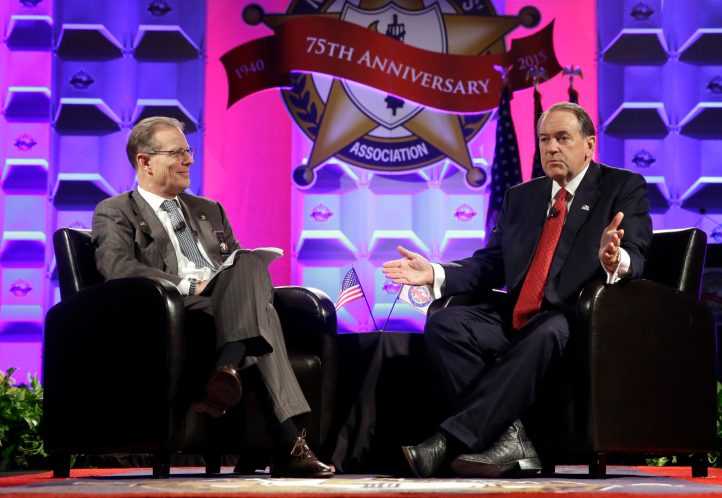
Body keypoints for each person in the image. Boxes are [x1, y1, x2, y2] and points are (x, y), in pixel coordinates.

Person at [382, 102, 652, 478]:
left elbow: (636, 254)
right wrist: (434, 272)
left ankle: (448, 441)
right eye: (544, 140)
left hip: (575, 319)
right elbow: (491, 263)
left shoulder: (621, 187)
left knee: (549, 328)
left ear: (589, 145)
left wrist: (613, 258)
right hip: (519, 316)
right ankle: (511, 439)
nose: (551, 148)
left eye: (563, 138)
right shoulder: (521, 197)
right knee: (447, 323)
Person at [91, 116, 333, 478]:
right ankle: (286, 444)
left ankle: (227, 370)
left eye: (189, 151)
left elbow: (237, 267)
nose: (189, 160)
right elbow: (117, 267)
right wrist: (191, 286)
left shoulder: (209, 209)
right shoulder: (115, 211)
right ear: (145, 161)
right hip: (171, 311)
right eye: (178, 153)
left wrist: (229, 278)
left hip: (227, 302)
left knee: (249, 263)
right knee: (262, 316)